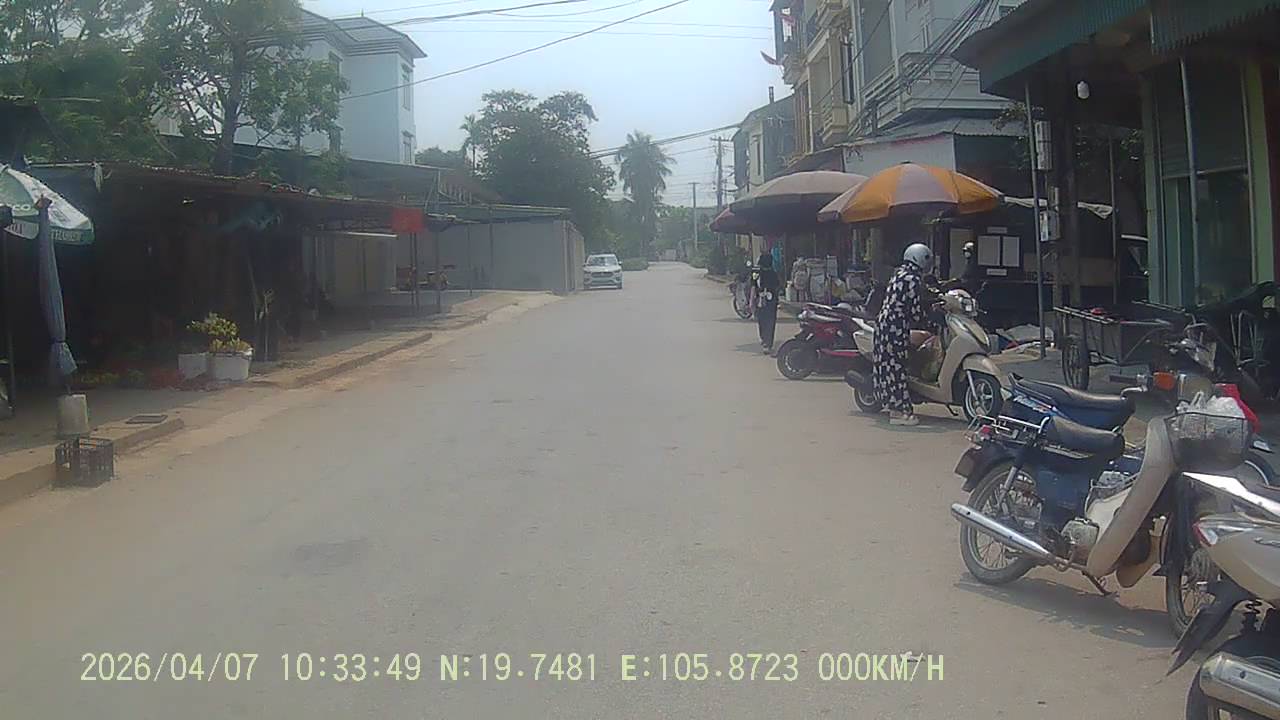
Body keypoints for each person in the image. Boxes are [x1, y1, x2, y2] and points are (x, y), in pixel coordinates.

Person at [874, 243, 933, 426]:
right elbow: (914, 310)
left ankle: (896, 409)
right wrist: (929, 319)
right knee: (896, 368)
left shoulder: (899, 274)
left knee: (889, 367)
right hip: (896, 327)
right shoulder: (913, 279)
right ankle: (898, 413)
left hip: (884, 324)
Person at [755, 252, 781, 354]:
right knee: (770, 322)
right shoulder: (773, 274)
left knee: (762, 321)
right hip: (771, 301)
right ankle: (768, 343)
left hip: (760, 301)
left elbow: (753, 287)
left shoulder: (757, 273)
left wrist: (752, 301)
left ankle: (764, 340)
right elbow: (778, 287)